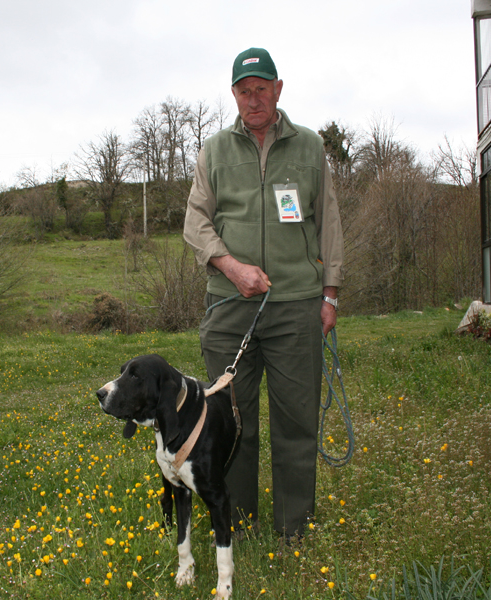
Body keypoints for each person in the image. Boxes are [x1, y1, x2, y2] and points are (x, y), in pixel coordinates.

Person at [183, 47, 344, 540]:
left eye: (261, 89)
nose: (253, 99)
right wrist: (231, 267)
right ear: (234, 95)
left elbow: (329, 222)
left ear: (278, 89)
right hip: (230, 306)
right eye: (243, 91)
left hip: (296, 305)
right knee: (232, 424)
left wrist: (330, 295)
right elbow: (195, 222)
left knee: (296, 423)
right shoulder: (214, 151)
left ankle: (294, 529)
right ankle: (238, 522)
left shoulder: (310, 148)